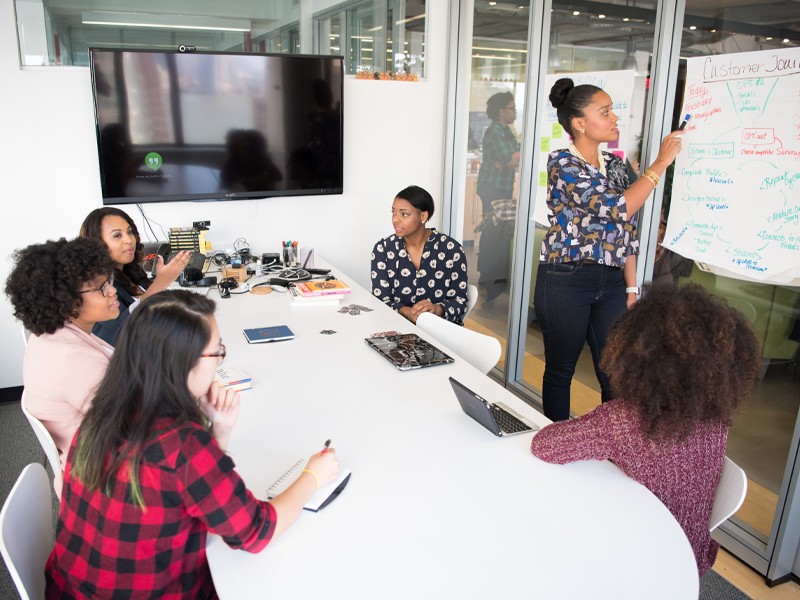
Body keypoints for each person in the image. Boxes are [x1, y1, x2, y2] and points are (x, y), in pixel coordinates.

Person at [46, 290, 340, 598]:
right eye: (217, 352)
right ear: (183, 363)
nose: (220, 362)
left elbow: (188, 489)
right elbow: (256, 532)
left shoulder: (102, 415)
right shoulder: (182, 445)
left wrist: (220, 429)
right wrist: (313, 476)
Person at [530, 283, 761, 577]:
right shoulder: (715, 420)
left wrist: (595, 420)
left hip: (635, 565)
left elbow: (544, 445)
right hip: (690, 561)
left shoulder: (623, 420)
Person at [534, 78, 684, 421]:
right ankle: (556, 440)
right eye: (605, 112)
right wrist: (660, 163)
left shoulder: (615, 165)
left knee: (615, 373)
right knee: (561, 369)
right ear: (579, 123)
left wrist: (631, 288)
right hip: (566, 278)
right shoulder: (563, 164)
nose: (614, 118)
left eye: (613, 110)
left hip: (612, 281)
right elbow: (618, 208)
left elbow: (625, 231)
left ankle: (614, 449)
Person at [4, 237, 119, 479]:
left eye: (109, 281)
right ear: (68, 302)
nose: (112, 291)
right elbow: (137, 428)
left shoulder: (49, 335)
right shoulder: (76, 361)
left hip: (87, 457)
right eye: (101, 287)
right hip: (104, 479)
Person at [80, 207, 192, 345]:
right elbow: (120, 334)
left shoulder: (131, 273)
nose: (128, 240)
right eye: (117, 235)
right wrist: (161, 282)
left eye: (129, 232)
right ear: (96, 243)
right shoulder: (98, 289)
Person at [371, 185, 469, 325]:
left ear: (423, 216)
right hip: (396, 329)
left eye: (404, 214)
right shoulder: (383, 250)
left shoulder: (451, 250)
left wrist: (436, 309)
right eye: (393, 212)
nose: (395, 219)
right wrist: (407, 312)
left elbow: (460, 301)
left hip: (441, 332)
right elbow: (380, 300)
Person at [476, 91, 521, 302]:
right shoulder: (495, 131)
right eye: (512, 108)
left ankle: (489, 277)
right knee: (492, 228)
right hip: (492, 186)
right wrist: (509, 159)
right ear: (502, 111)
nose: (515, 111)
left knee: (494, 229)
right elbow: (510, 158)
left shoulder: (506, 131)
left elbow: (515, 155)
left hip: (501, 185)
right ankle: (488, 276)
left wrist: (510, 158)